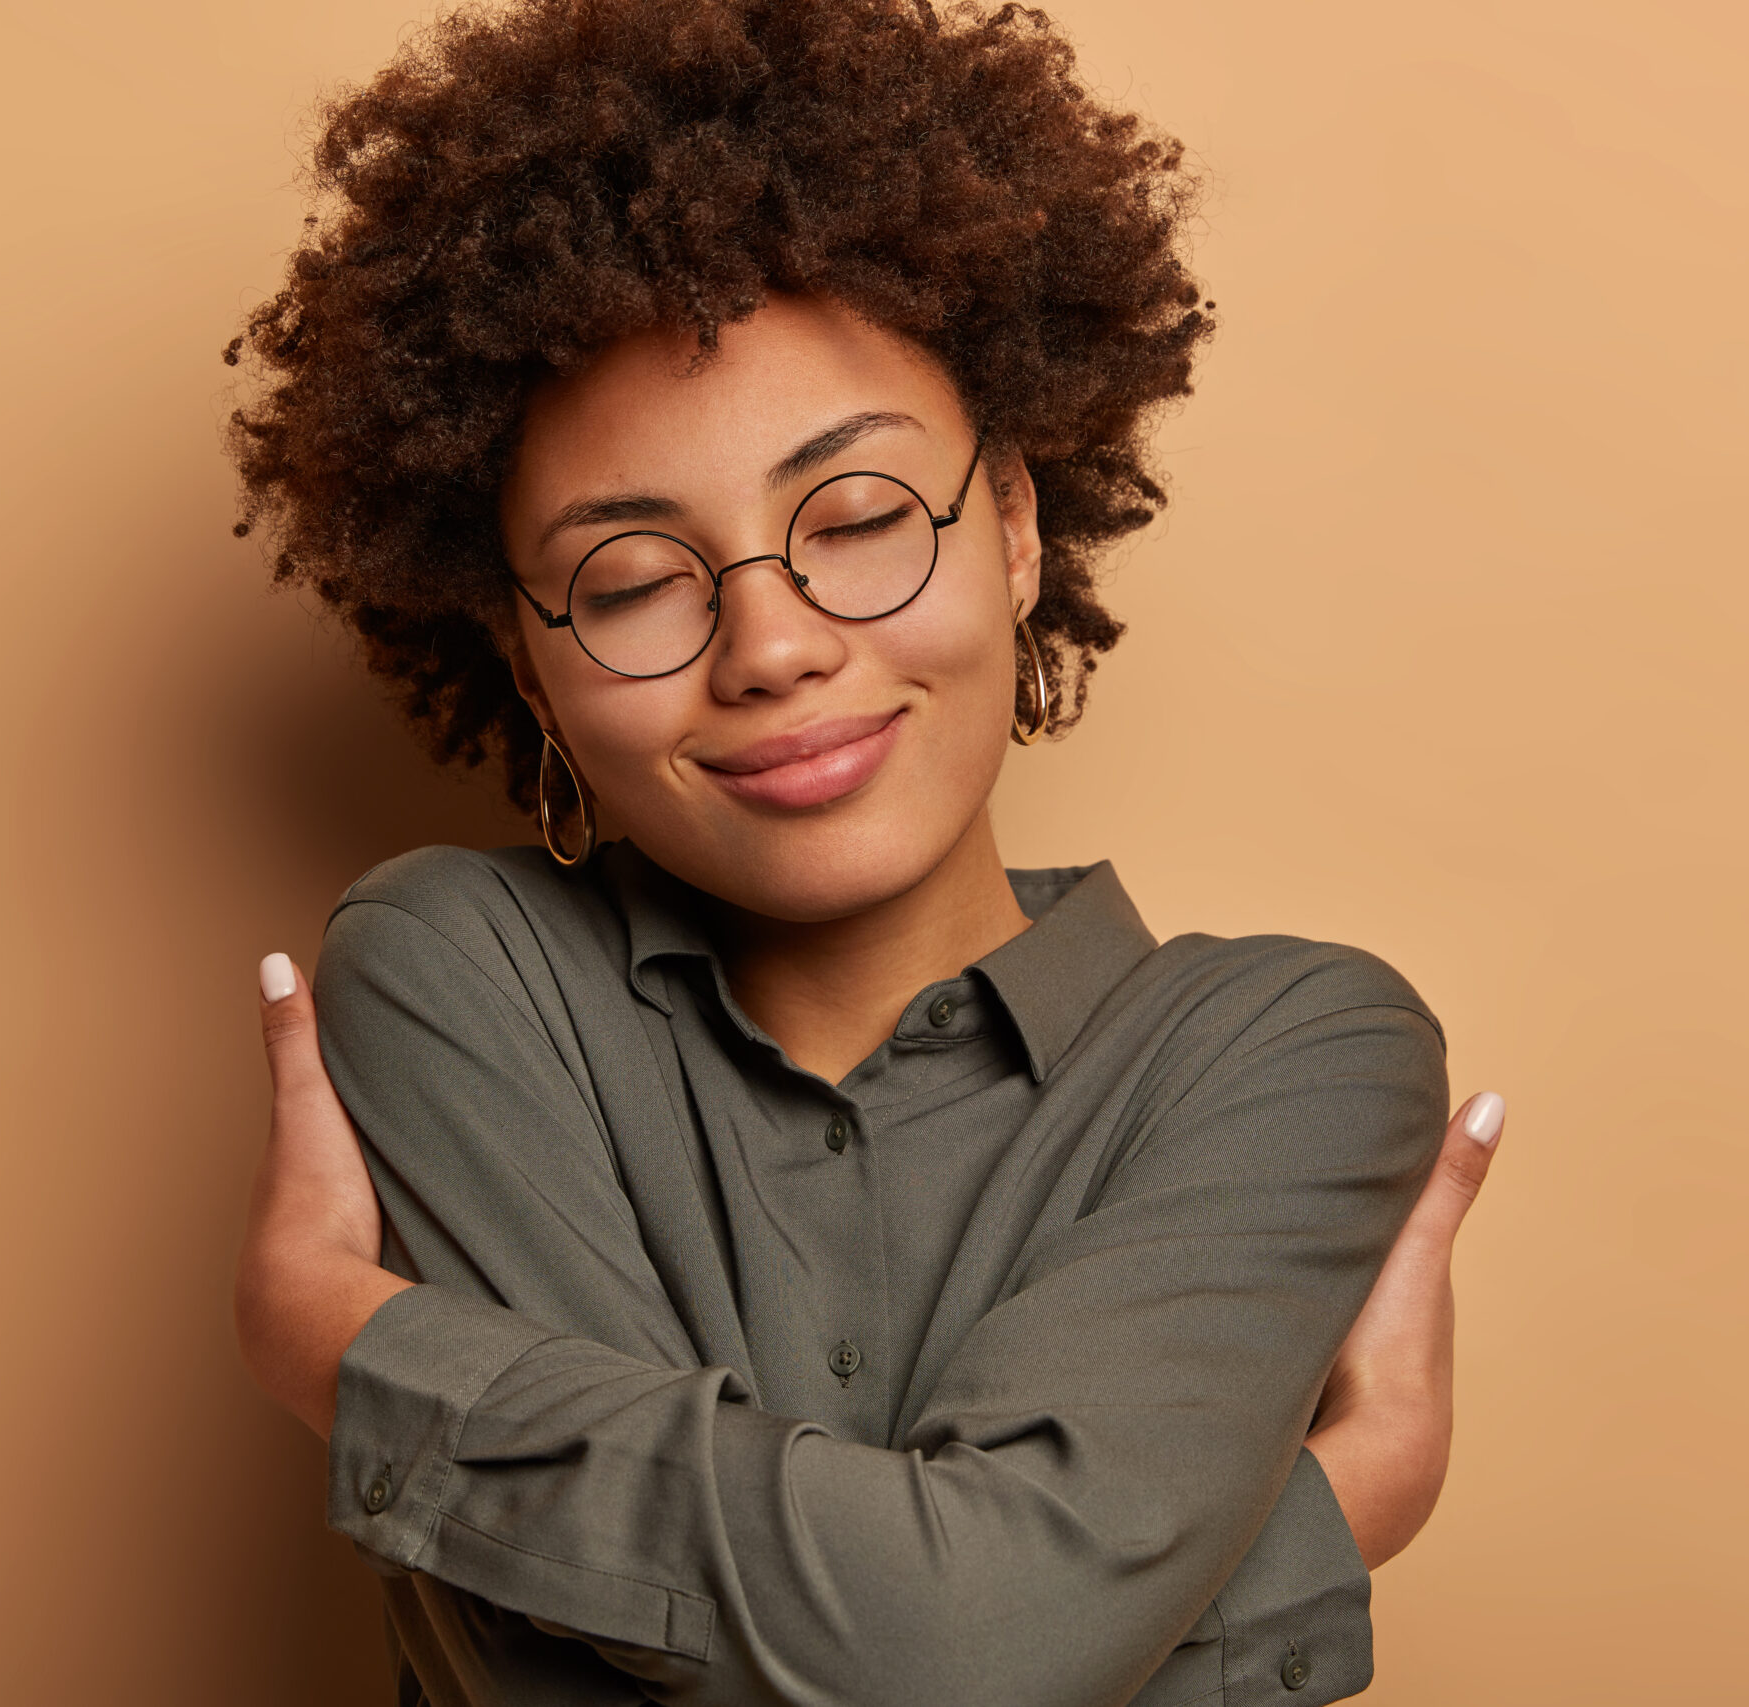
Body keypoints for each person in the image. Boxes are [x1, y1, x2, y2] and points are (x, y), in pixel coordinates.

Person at [228, 3, 1506, 1702]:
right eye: (628, 581)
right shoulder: (464, 973)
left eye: (854, 522)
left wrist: (358, 1349)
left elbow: (937, 1657)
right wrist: (1323, 1524)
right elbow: (948, 1656)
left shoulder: (1289, 1054)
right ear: (529, 657)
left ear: (1018, 526)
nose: (771, 645)